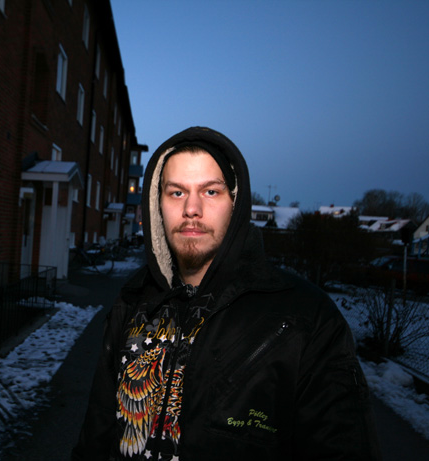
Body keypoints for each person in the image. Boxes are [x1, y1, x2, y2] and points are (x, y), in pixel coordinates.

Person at [73, 126, 381, 460]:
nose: (192, 208)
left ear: (235, 203)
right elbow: (95, 436)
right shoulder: (132, 302)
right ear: (156, 204)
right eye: (176, 192)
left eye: (210, 191)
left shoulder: (305, 319)